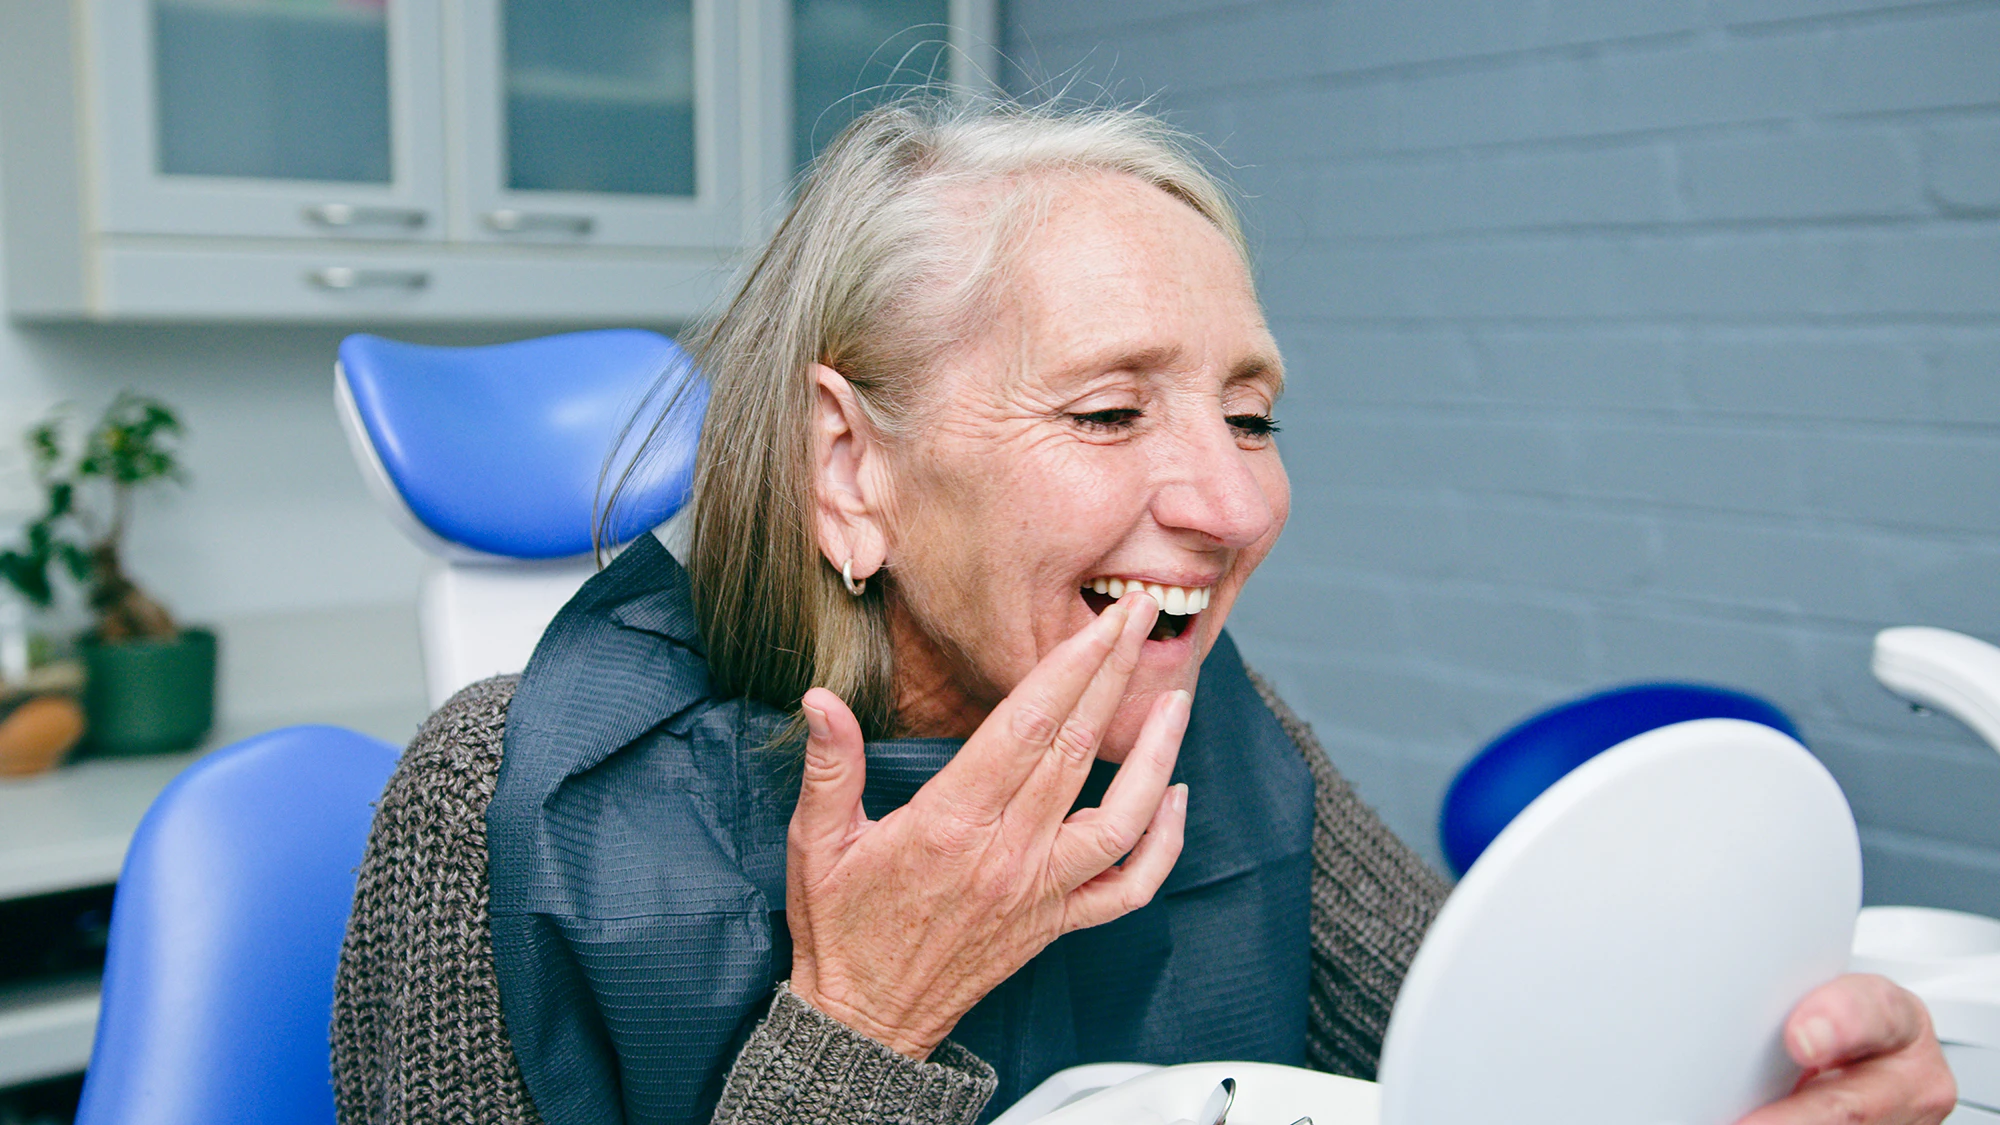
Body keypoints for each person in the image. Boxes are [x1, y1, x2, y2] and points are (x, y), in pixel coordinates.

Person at [332, 98, 1956, 1125]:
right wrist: (862, 1024)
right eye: (1109, 415)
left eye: (1248, 416)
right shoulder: (499, 804)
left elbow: (1498, 1080)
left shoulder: (1211, 731)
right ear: (850, 469)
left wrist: (1756, 1088)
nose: (1237, 505)